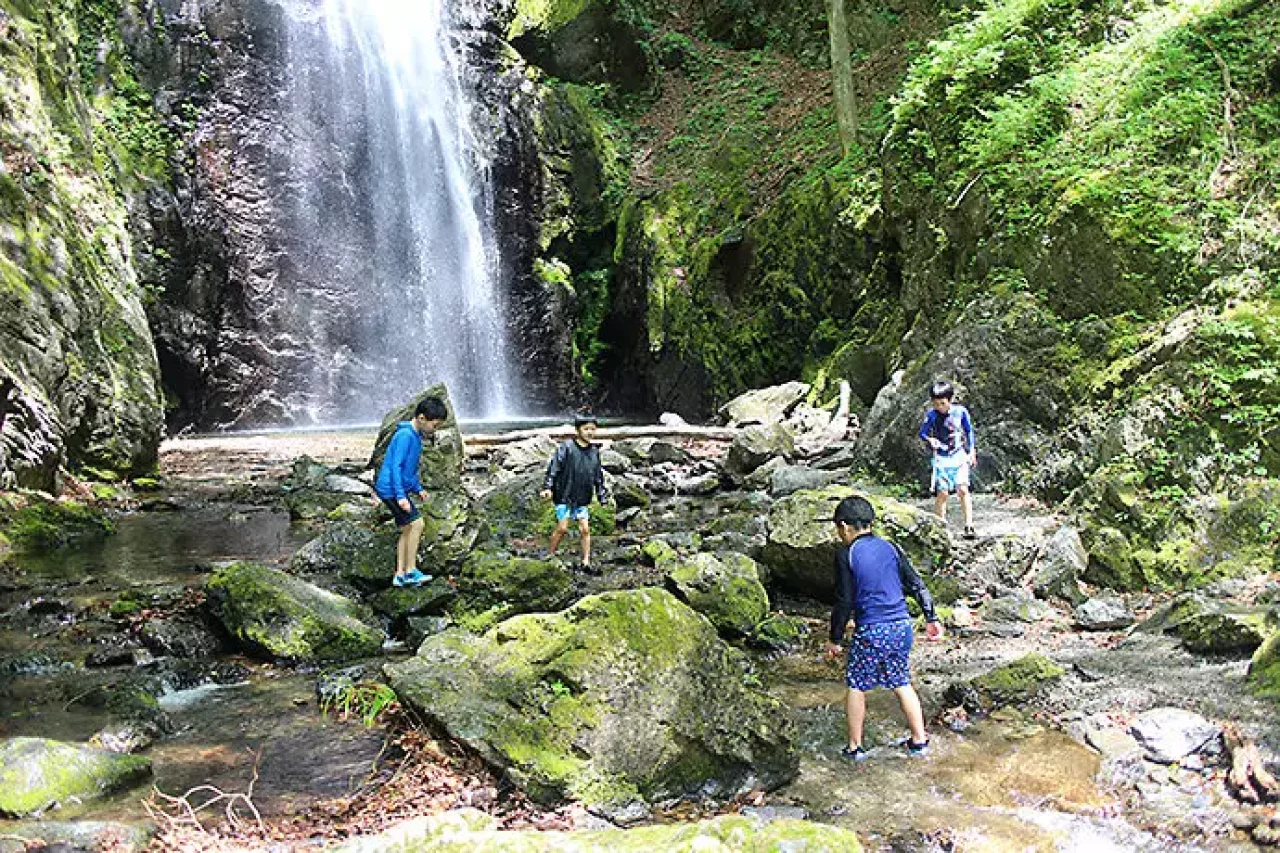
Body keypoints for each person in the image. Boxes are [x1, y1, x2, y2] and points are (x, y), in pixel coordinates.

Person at [824, 496, 944, 762]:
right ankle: (919, 740)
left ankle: (854, 747)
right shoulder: (891, 547)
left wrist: (835, 639)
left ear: (843, 526)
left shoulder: (846, 554)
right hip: (902, 626)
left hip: (872, 630)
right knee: (901, 681)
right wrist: (931, 617)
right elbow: (916, 584)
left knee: (857, 684)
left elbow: (844, 600)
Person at [374, 397, 448, 587]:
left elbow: (409, 470)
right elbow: (396, 467)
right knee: (417, 524)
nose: (434, 430)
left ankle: (400, 574)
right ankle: (410, 570)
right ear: (422, 418)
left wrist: (418, 488)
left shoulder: (414, 436)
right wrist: (400, 496)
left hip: (392, 488)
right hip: (390, 489)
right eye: (434, 425)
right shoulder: (405, 436)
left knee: (407, 528)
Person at [540, 414, 609, 572]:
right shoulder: (567, 447)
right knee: (562, 528)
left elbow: (598, 476)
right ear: (578, 430)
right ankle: (550, 554)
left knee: (585, 529)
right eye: (586, 429)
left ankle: (586, 560)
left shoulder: (594, 452)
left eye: (592, 429)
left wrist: (602, 495)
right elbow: (554, 468)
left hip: (582, 496)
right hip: (564, 494)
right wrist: (548, 487)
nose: (590, 432)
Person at [918, 380, 977, 539]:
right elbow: (922, 433)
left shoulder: (960, 412)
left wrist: (972, 451)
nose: (939, 407)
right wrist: (930, 440)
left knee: (963, 489)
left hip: (959, 455)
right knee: (943, 493)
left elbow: (969, 431)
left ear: (949, 400)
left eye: (942, 403)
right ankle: (941, 526)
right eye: (936, 404)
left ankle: (969, 525)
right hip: (941, 458)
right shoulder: (932, 415)